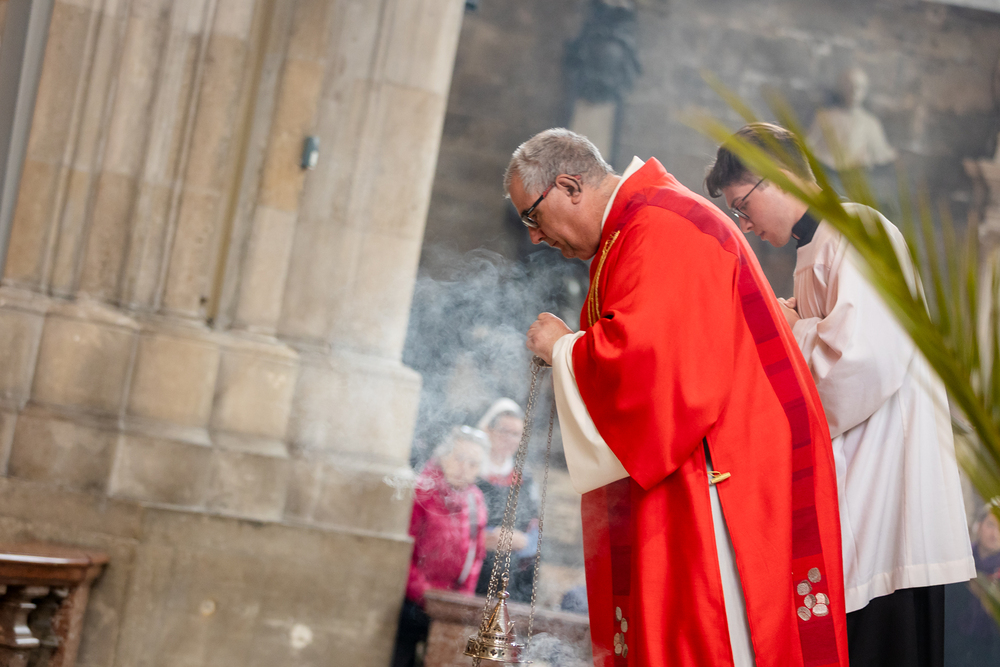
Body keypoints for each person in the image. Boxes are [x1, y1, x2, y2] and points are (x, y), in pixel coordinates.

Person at [511, 128, 849, 667]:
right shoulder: (635, 227)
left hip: (721, 477)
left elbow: (655, 370)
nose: (533, 236)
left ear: (570, 186)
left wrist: (563, 349)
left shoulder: (661, 224)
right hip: (698, 468)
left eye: (532, 216)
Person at [705, 122, 975, 667]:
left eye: (743, 206)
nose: (745, 225)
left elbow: (864, 358)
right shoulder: (819, 245)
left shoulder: (857, 230)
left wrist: (792, 328)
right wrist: (797, 322)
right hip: (858, 485)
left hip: (889, 489)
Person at [391, 426, 489, 667]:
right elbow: (402, 550)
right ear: (444, 456)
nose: (464, 468)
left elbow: (476, 555)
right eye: (459, 458)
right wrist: (424, 594)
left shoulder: (475, 500)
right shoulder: (422, 490)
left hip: (450, 606)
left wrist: (461, 601)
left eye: (473, 464)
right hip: (411, 599)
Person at [473, 398, 540, 603]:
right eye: (503, 431)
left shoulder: (524, 479)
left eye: (515, 434)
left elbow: (535, 530)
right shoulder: (471, 471)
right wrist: (484, 537)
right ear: (488, 430)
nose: (509, 439)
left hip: (512, 577)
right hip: (473, 572)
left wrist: (524, 541)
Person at [945, 504, 1000, 667]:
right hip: (953, 649)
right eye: (991, 525)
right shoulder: (959, 562)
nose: (995, 534)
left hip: (990, 654)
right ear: (978, 525)